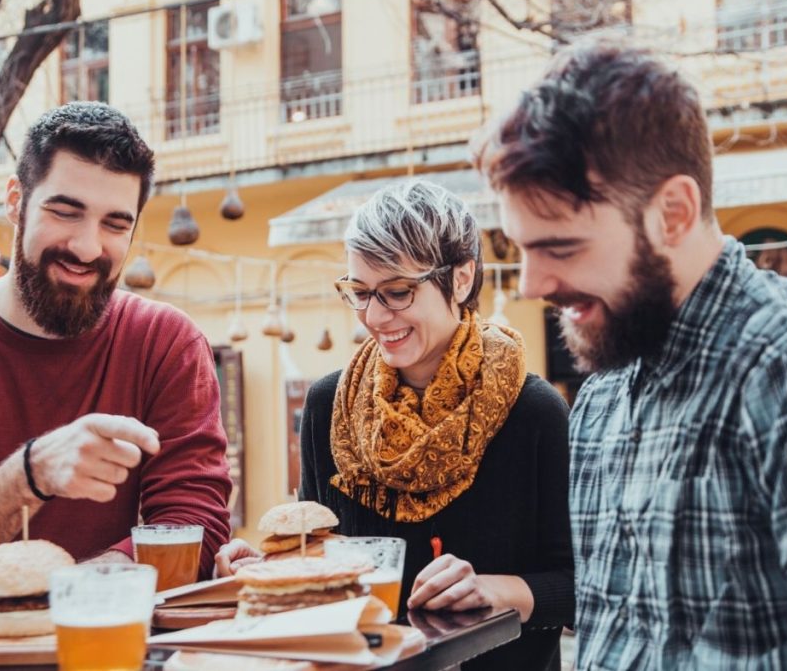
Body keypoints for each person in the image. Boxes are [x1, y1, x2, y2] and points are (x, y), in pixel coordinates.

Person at [475, 40, 787, 668]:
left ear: (673, 212)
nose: (532, 285)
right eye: (521, 248)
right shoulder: (603, 396)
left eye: (561, 248)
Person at [0, 102, 232, 603]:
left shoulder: (166, 343)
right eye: (65, 212)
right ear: (16, 201)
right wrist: (29, 475)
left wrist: (73, 593)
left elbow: (194, 526)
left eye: (115, 224)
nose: (87, 247)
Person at [218, 179, 574, 670]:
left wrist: (497, 589)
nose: (374, 315)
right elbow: (319, 553)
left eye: (398, 292)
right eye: (359, 292)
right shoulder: (329, 405)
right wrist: (272, 568)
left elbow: (584, 586)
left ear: (462, 278)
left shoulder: (533, 412)